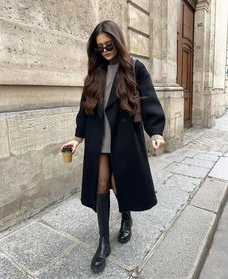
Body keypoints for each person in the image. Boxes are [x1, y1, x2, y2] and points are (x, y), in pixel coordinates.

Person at [61, 20, 165, 273]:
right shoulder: (94, 73)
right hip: (99, 141)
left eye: (109, 45)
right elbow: (84, 108)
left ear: (118, 42)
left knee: (121, 184)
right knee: (100, 184)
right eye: (99, 47)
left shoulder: (134, 68)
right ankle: (103, 242)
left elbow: (148, 98)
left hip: (124, 139)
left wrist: (155, 132)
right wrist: (77, 138)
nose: (105, 50)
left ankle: (126, 217)